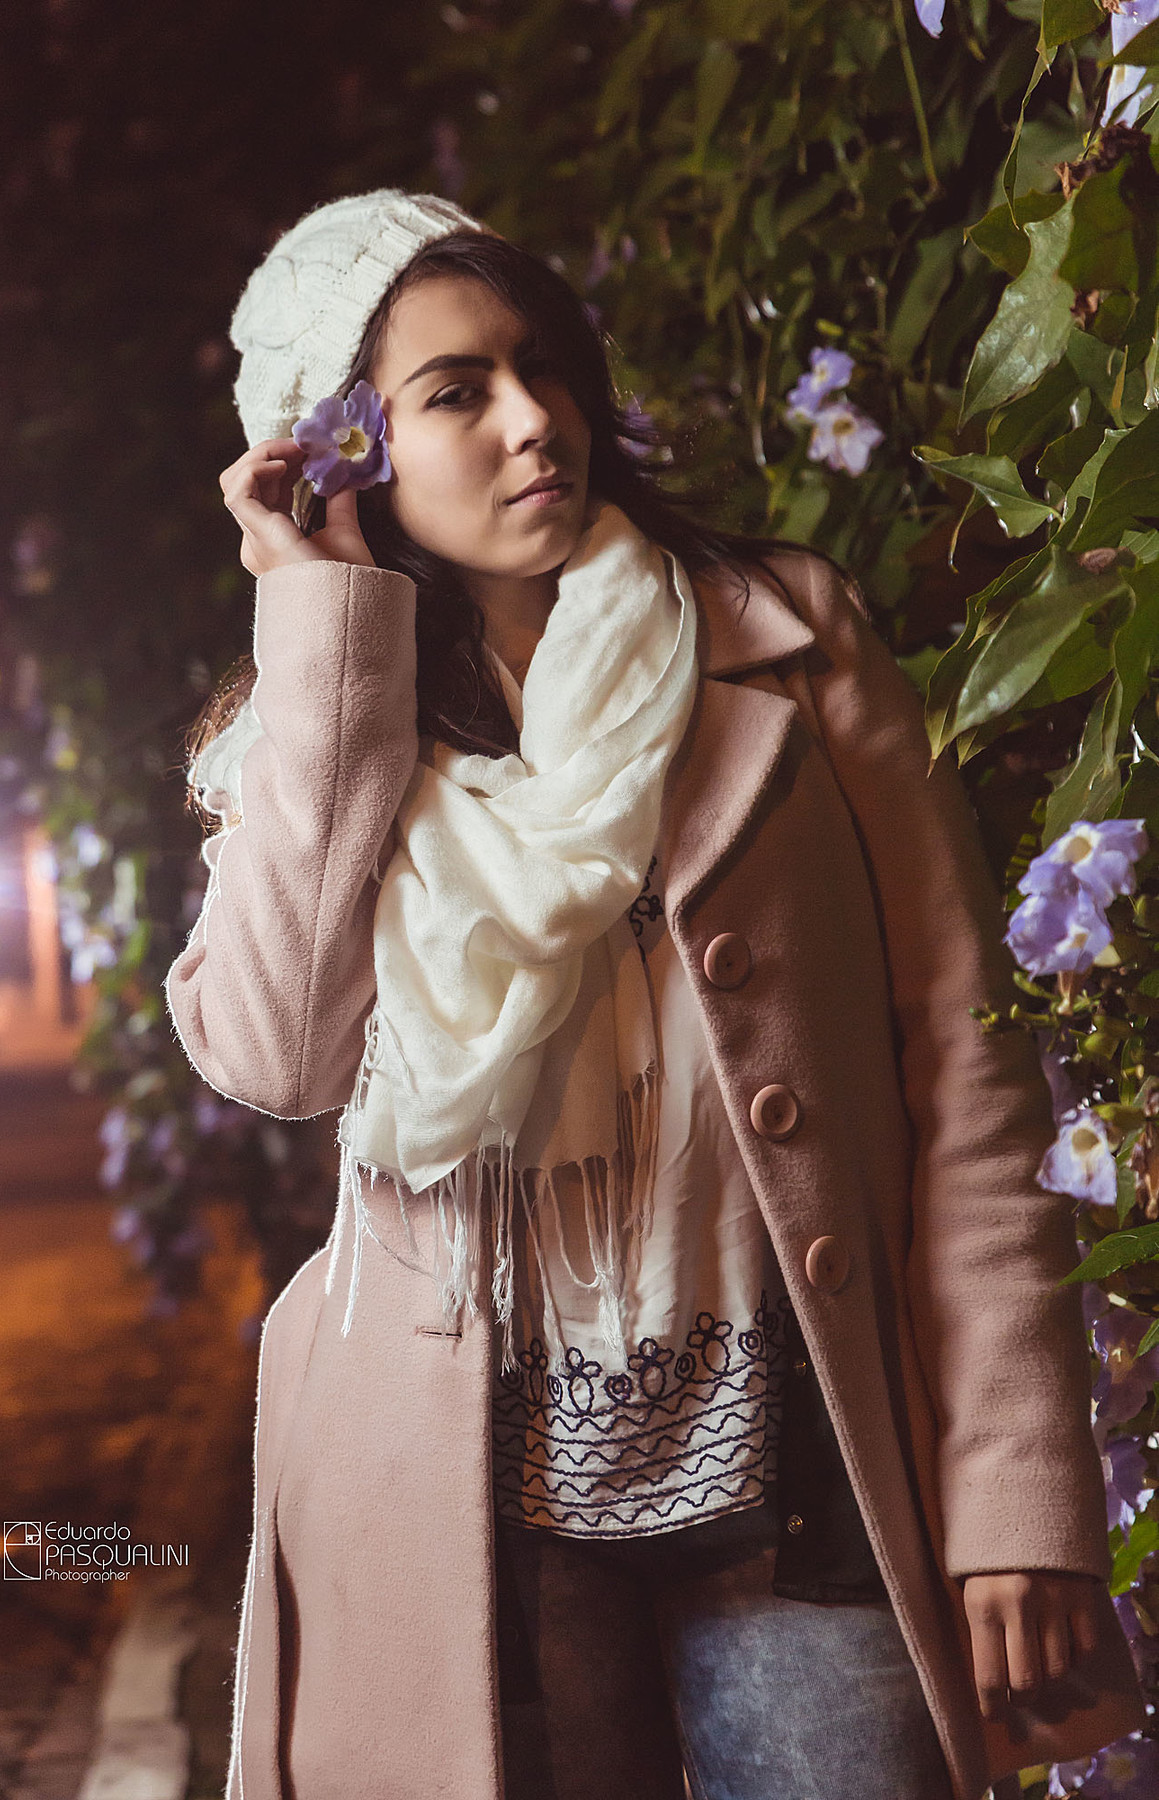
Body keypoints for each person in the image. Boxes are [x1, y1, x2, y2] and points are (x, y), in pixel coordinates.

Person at [164, 190, 1146, 1800]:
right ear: (340, 453)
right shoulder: (302, 733)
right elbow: (277, 1055)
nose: (537, 421)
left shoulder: (785, 640)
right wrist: (328, 636)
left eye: (543, 368)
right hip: (470, 1527)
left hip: (802, 1486)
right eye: (457, 392)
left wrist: (1020, 1495)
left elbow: (971, 1081)